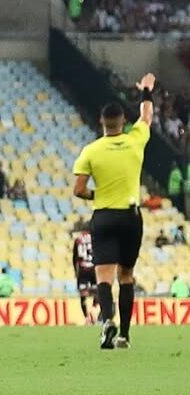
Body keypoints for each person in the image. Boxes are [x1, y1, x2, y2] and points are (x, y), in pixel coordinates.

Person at [72, 73, 154, 350]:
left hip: (104, 215)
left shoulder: (91, 151)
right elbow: (147, 116)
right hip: (131, 217)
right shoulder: (135, 141)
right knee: (127, 276)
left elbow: (78, 189)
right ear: (123, 123)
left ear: (101, 123)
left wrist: (98, 193)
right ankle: (125, 336)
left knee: (103, 276)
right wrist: (146, 92)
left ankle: (107, 320)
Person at [72, 228, 97, 323]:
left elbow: (75, 258)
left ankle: (86, 317)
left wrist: (76, 271)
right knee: (97, 292)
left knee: (83, 294)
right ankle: (94, 309)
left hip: (82, 270)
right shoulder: (95, 237)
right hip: (94, 268)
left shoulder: (78, 239)